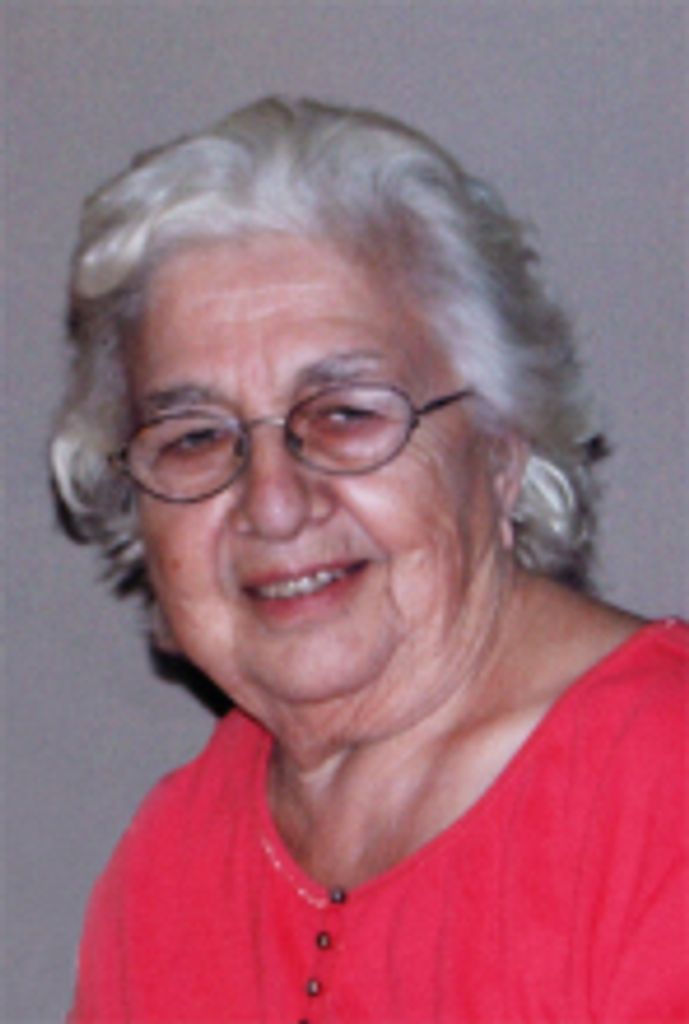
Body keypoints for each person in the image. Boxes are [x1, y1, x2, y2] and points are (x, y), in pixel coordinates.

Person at [52, 96, 687, 1023]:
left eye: (346, 414)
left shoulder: (662, 795)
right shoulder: (173, 857)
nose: (272, 502)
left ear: (501, 449)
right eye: (194, 438)